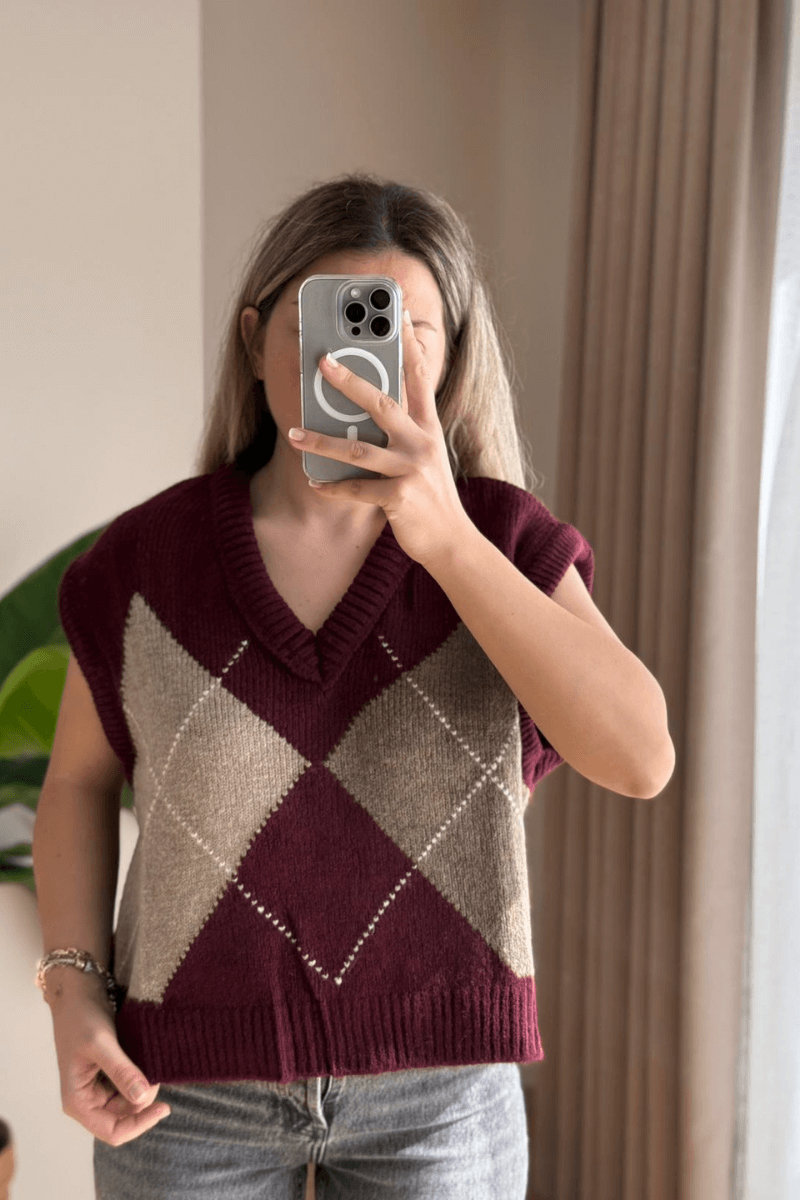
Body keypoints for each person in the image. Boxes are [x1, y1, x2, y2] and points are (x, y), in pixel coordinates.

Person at [32, 173, 674, 1200]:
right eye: (326, 324)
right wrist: (73, 995)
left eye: (402, 331)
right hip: (180, 1088)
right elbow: (75, 783)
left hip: (440, 1092)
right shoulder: (146, 563)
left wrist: (447, 540)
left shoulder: (502, 543)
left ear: (450, 357)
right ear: (255, 343)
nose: (355, 363)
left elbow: (640, 758)